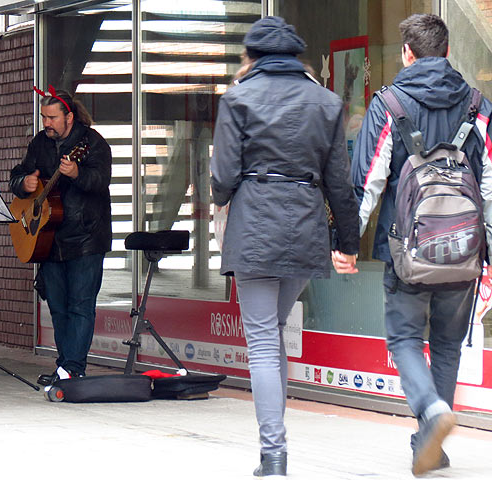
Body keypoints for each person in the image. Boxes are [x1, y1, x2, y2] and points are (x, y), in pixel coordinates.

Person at [210, 16, 359, 478]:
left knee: (261, 339)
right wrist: (348, 243)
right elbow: (340, 183)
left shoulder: (238, 99)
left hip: (255, 223)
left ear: (252, 57)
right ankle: (273, 447)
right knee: (272, 330)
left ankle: (273, 454)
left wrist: (222, 199)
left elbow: (222, 179)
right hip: (305, 224)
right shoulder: (328, 102)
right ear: (295, 57)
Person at [346, 13, 492, 476]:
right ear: (447, 52)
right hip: (464, 253)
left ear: (407, 53)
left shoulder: (389, 103)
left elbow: (368, 181)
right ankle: (434, 446)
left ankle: (430, 411)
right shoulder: (479, 105)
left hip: (407, 251)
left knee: (406, 337)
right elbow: (489, 187)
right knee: (448, 344)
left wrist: (346, 242)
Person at [10, 87, 112, 385]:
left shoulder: (92, 143)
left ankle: (74, 368)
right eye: (44, 117)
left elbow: (101, 181)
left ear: (69, 116)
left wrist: (77, 173)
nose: (47, 123)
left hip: (85, 237)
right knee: (57, 305)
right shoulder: (40, 143)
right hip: (49, 238)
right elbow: (18, 174)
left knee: (81, 305)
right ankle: (64, 366)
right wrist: (23, 183)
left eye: (52, 117)